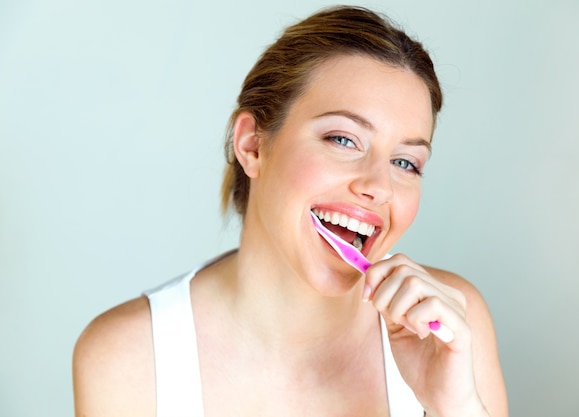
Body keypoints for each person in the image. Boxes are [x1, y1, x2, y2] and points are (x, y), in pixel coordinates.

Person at [72, 5, 508, 417]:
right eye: (343, 139)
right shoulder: (127, 357)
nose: (379, 187)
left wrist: (459, 406)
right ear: (253, 145)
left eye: (405, 163)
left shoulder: (449, 325)